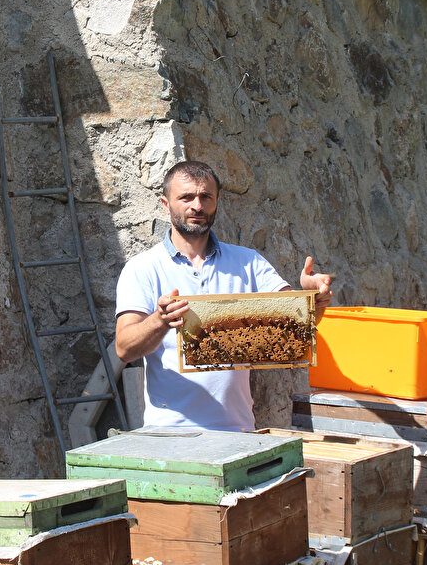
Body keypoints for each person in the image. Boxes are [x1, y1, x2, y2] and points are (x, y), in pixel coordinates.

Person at [114, 160, 333, 431]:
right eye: (186, 197)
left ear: (217, 200)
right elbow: (124, 348)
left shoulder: (248, 261)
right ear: (165, 204)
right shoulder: (142, 268)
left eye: (206, 196)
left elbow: (295, 326)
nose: (197, 206)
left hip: (238, 430)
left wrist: (310, 298)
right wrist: (160, 320)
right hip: (170, 436)